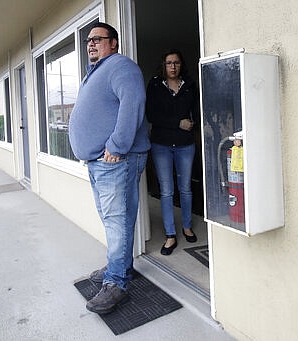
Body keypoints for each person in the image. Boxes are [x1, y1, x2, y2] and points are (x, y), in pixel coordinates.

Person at [68, 22, 150, 314]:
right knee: (115, 219)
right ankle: (120, 267)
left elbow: (134, 103)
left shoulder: (121, 66)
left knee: (116, 220)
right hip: (100, 162)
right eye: (88, 40)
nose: (90, 44)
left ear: (113, 42)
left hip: (117, 160)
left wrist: (117, 146)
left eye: (97, 39)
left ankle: (116, 283)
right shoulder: (97, 71)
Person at [145, 49, 198, 256]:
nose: (173, 66)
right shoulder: (156, 85)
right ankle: (170, 235)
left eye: (176, 62)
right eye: (169, 63)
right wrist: (178, 123)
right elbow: (151, 115)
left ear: (181, 64)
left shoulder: (189, 85)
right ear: (164, 65)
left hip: (185, 144)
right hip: (162, 145)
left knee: (185, 188)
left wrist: (195, 125)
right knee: (166, 191)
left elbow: (196, 109)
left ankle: (186, 226)